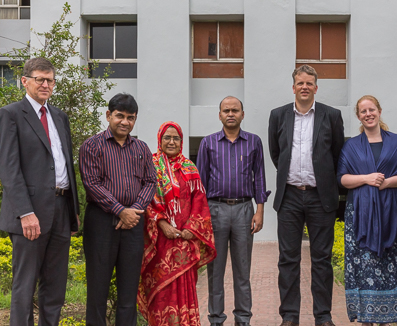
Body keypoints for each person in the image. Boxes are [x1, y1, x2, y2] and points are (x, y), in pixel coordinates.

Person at [0, 57, 80, 326]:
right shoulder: (11, 114)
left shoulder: (59, 117)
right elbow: (9, 170)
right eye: (40, 79)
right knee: (24, 287)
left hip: (60, 209)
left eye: (50, 80)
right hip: (30, 214)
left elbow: (65, 164)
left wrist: (71, 213)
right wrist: (25, 213)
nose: (46, 84)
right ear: (25, 81)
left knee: (55, 287)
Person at [268, 65, 344, 326]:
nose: (304, 87)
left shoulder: (331, 115)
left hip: (320, 197)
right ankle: (289, 317)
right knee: (288, 259)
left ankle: (323, 317)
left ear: (316, 87)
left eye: (309, 83)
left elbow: (336, 153)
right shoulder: (278, 115)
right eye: (300, 83)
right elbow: (277, 153)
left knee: (321, 260)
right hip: (288, 197)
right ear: (293, 87)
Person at [337, 95, 397, 325]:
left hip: (393, 213)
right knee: (363, 265)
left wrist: (386, 183)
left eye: (372, 109)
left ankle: (391, 316)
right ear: (358, 116)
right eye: (363, 111)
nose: (368, 114)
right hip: (360, 214)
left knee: (394, 263)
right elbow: (342, 179)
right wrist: (366, 178)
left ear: (379, 111)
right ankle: (366, 317)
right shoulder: (351, 145)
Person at [79, 93, 156, 326]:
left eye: (130, 118)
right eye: (119, 116)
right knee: (97, 291)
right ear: (108, 116)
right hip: (101, 224)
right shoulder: (92, 146)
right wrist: (120, 210)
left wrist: (134, 210)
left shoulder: (141, 148)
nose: (125, 122)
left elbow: (151, 182)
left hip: (133, 226)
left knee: (128, 291)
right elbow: (91, 183)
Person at [197, 96, 269, 326]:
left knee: (242, 269)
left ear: (242, 114)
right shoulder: (207, 143)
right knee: (215, 270)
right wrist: (203, 216)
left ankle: (243, 319)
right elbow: (200, 184)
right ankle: (216, 319)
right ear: (219, 115)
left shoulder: (254, 142)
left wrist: (259, 211)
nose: (230, 113)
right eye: (226, 110)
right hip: (215, 209)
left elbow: (259, 177)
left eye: (235, 110)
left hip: (243, 210)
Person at [138, 121, 216, 325]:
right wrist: (162, 224)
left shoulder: (190, 168)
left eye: (176, 138)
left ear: (181, 141)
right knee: (161, 289)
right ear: (160, 139)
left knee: (184, 287)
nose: (171, 142)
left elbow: (200, 202)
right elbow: (144, 199)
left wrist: (192, 228)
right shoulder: (150, 165)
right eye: (167, 137)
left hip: (184, 241)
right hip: (159, 242)